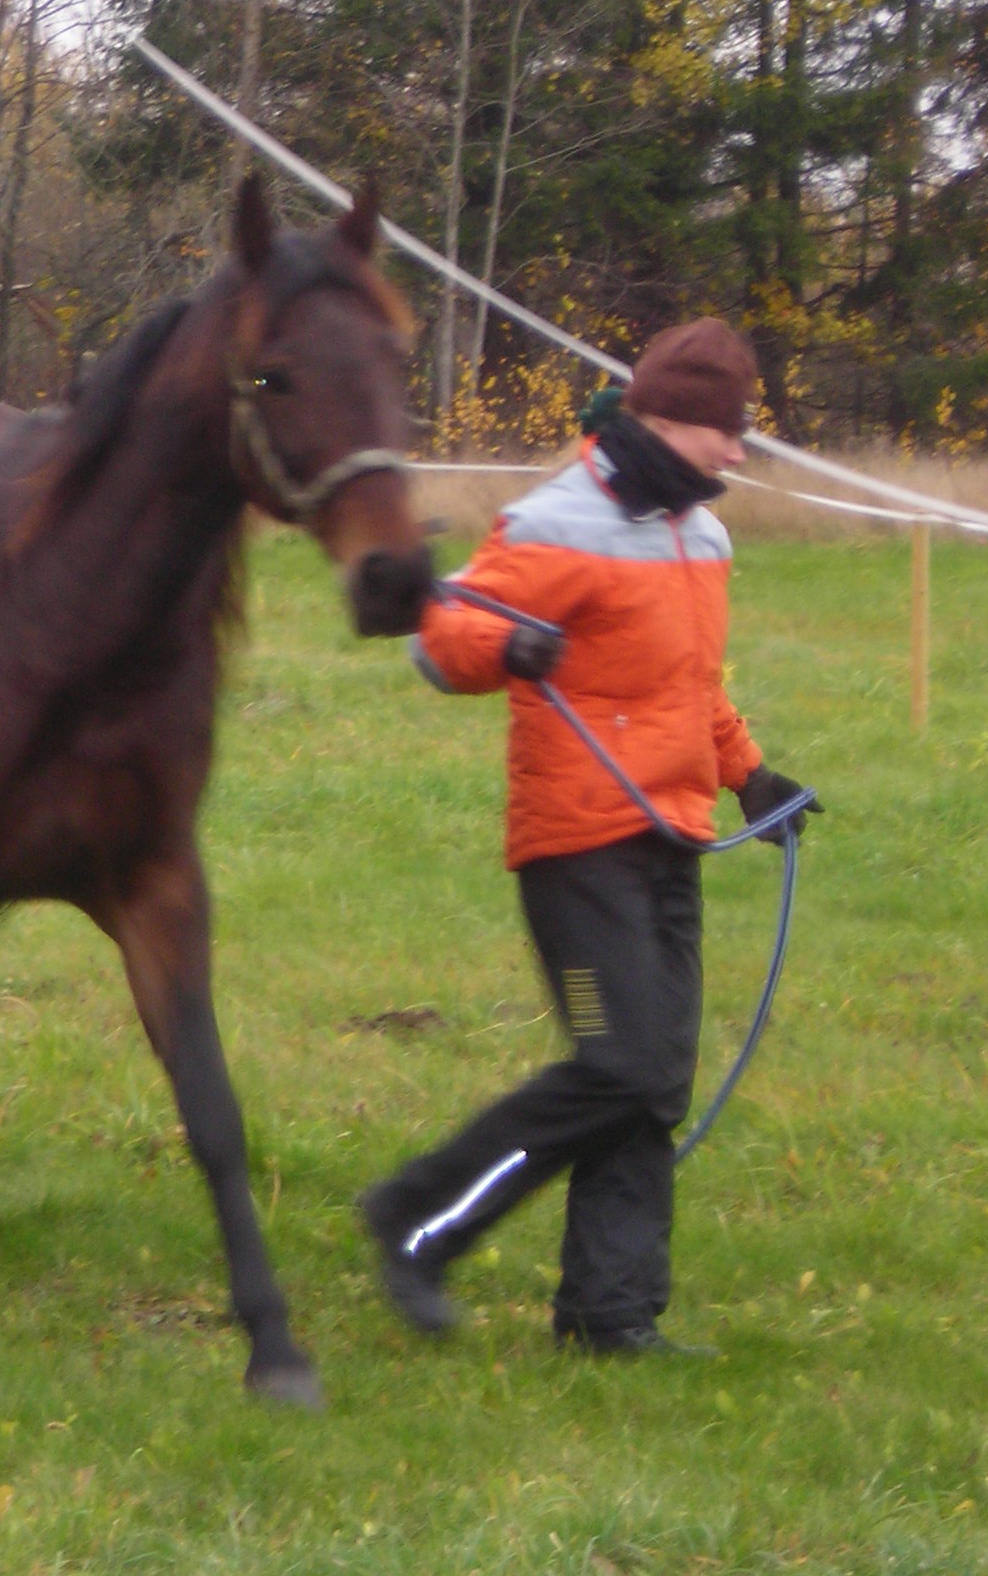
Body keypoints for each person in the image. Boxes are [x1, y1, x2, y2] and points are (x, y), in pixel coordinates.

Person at [360, 319, 821, 1354]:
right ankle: (416, 1217)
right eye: (723, 432)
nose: (738, 453)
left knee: (653, 1080)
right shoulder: (555, 520)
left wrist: (751, 774)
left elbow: (689, 687)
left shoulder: (699, 533)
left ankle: (611, 1314)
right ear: (663, 419)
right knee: (615, 1062)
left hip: (670, 835)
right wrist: (507, 641)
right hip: (575, 845)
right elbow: (443, 636)